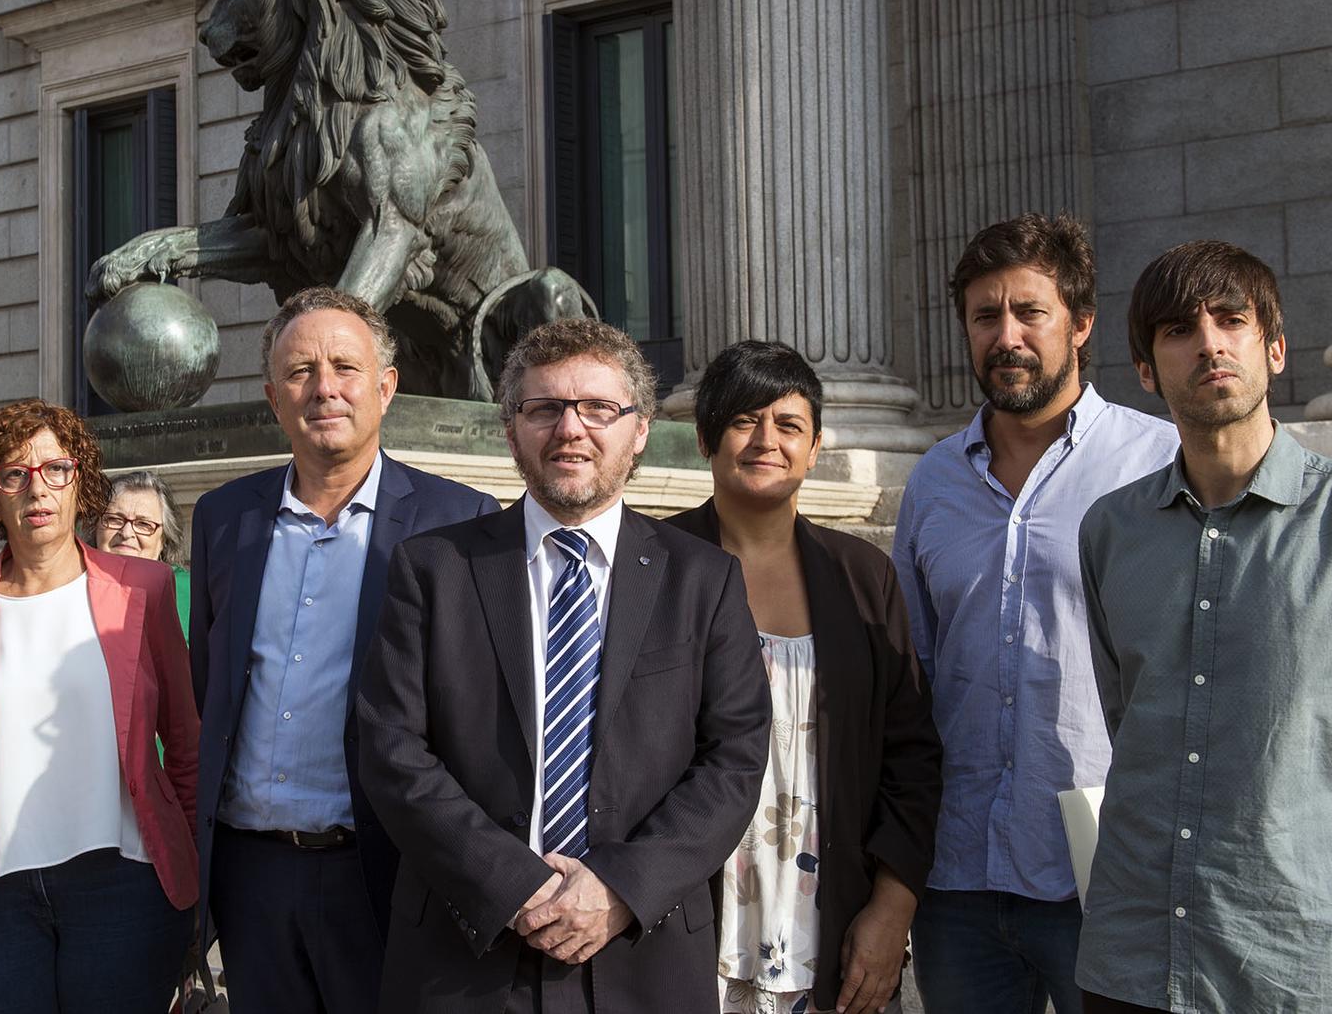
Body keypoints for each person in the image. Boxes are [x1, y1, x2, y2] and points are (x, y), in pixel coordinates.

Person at [356, 318, 769, 1014]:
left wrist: (616, 889)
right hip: (466, 953)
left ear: (638, 430)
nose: (570, 428)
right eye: (544, 408)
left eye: (598, 408)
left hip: (642, 950)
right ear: (510, 428)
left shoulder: (704, 579)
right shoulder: (434, 568)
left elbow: (734, 758)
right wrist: (512, 883)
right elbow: (392, 748)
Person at [1076, 242, 1332, 1014]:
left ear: (1276, 348)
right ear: (1148, 369)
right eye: (1179, 329)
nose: (1211, 343)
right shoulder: (1111, 531)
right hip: (1136, 963)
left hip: (1308, 967)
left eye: (1232, 320)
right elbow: (1129, 717)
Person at [891, 214, 1176, 1013]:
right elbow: (909, 674)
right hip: (959, 878)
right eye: (986, 316)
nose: (1005, 335)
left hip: (1108, 874)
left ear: (1081, 324)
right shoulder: (933, 482)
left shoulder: (1154, 463)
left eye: (1029, 312)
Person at [190, 286, 498, 1014]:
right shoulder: (223, 518)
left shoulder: (458, 521)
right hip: (252, 876)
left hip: (385, 871)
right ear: (274, 397)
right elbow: (210, 690)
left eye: (344, 366)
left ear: (386, 387)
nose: (323, 386)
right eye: (300, 371)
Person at [0, 398, 198, 1013]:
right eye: (14, 474)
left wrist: (199, 885)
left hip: (128, 884)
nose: (38, 489)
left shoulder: (145, 592)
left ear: (80, 481)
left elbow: (185, 745)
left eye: (56, 469)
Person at [668, 341, 942, 1014]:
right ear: (705, 435)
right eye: (743, 420)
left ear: (815, 446)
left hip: (834, 922)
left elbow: (912, 755)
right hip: (688, 924)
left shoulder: (862, 576)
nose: (767, 440)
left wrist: (893, 909)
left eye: (788, 425)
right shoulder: (658, 567)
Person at [96, 469, 191, 629]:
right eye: (114, 519)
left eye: (143, 524)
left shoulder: (189, 593)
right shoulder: (71, 588)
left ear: (165, 539)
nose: (126, 533)